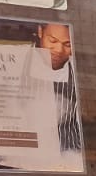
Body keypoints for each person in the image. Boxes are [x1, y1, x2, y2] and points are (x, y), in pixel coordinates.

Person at [34, 22, 82, 155]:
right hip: (22, 153)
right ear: (40, 32)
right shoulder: (18, 62)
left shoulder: (78, 74)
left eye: (67, 45)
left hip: (69, 153)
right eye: (52, 41)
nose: (59, 50)